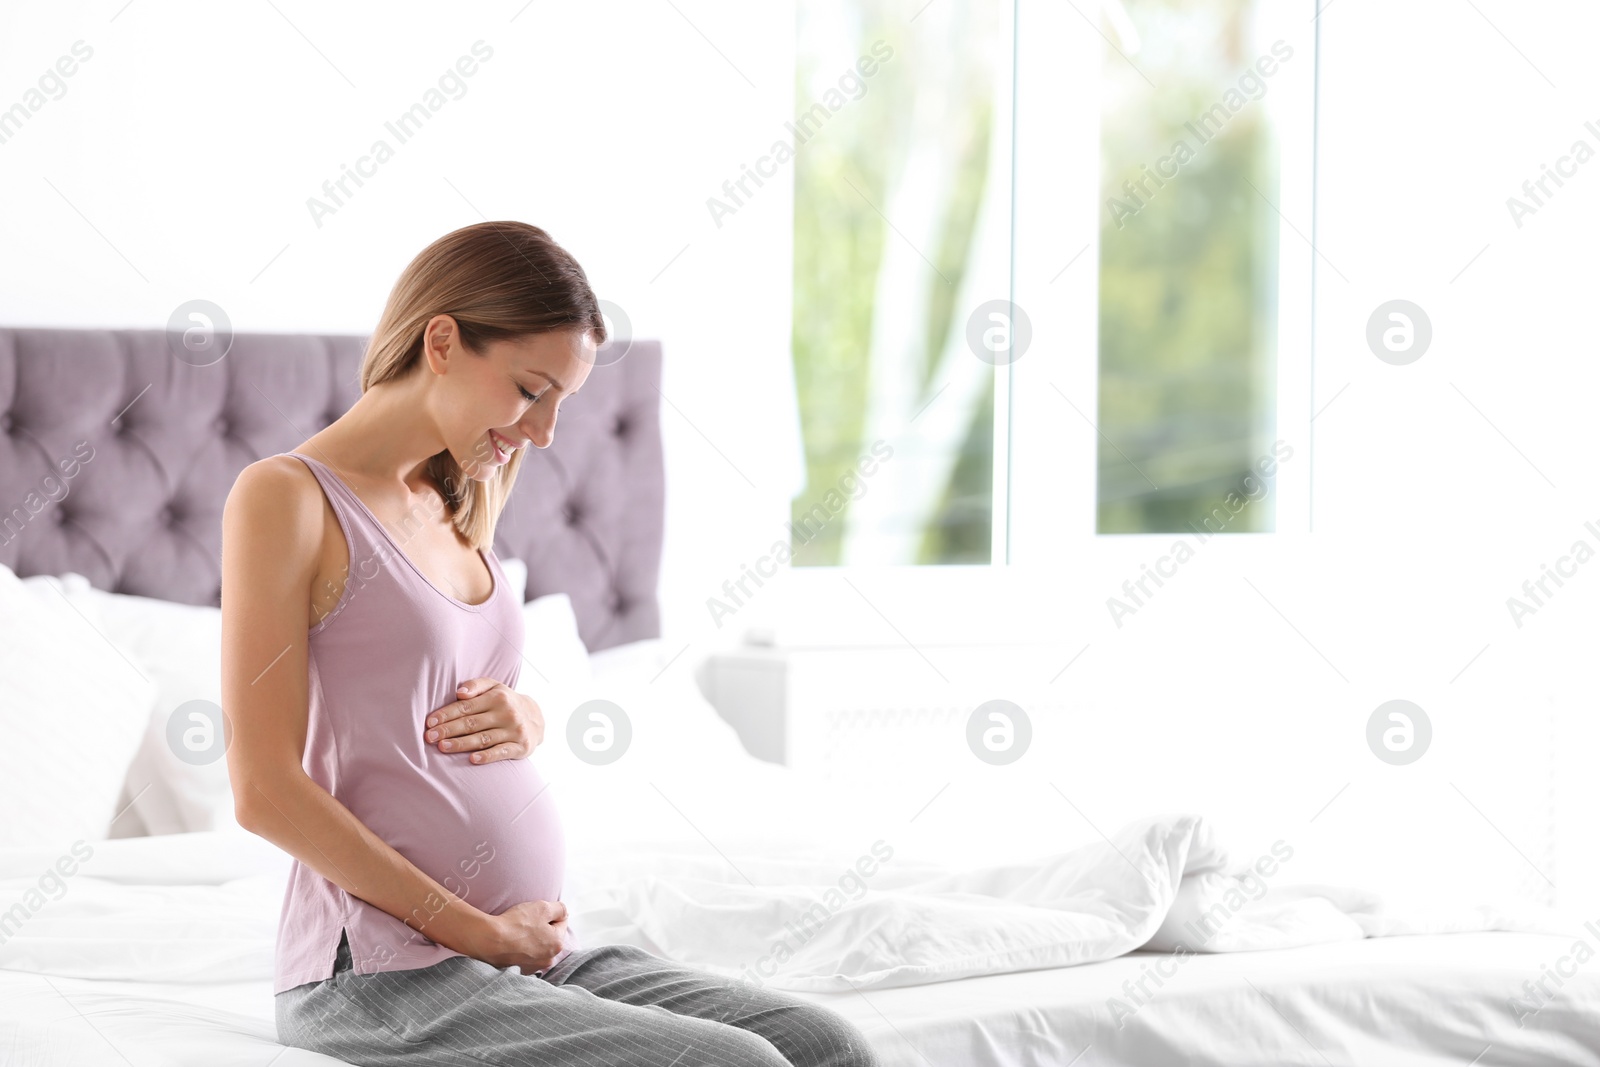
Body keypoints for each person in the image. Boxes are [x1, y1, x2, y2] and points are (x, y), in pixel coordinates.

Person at [221, 220, 880, 1067]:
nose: (544, 432)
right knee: (736, 1063)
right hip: (380, 974)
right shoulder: (286, 497)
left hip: (529, 952)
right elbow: (263, 790)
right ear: (445, 341)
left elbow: (430, 682)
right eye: (531, 390)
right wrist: (481, 932)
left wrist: (526, 713)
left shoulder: (463, 492)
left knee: (829, 1043)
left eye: (562, 401)